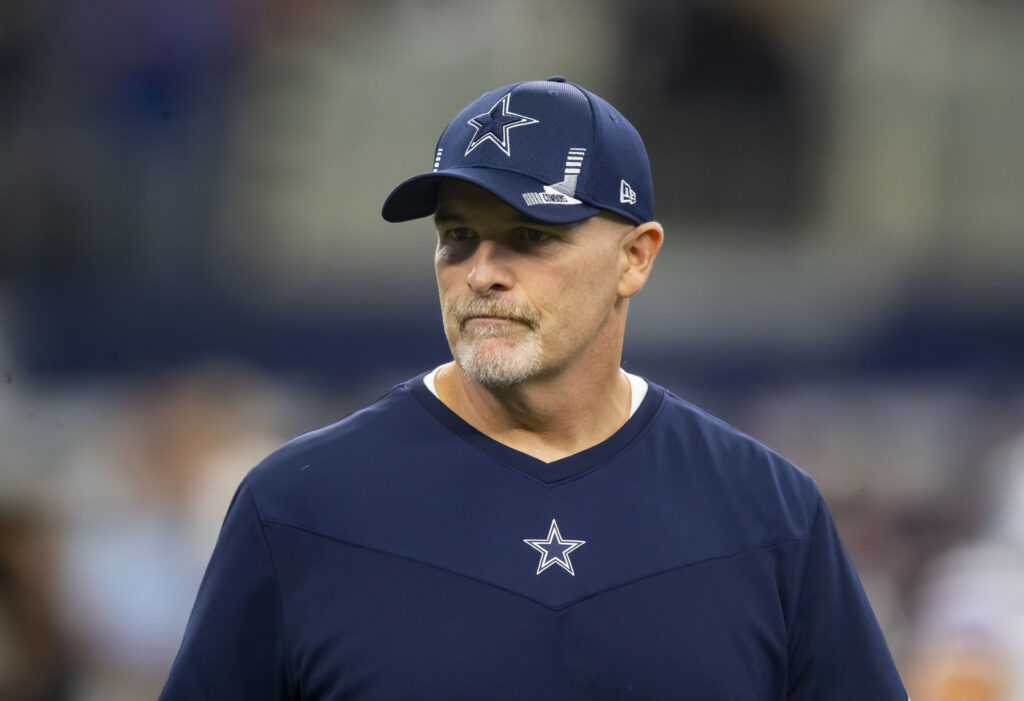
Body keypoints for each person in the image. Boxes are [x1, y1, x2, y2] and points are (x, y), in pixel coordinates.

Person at [160, 77, 906, 699]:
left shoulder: (766, 513)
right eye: (456, 237)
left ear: (635, 258)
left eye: (531, 236)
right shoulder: (298, 505)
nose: (481, 270)